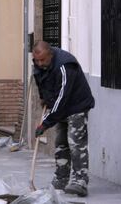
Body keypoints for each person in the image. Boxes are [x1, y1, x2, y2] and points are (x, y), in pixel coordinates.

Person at [32, 41, 94, 197]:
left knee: (75, 142)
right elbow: (42, 83)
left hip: (76, 106)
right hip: (60, 106)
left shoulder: (65, 65)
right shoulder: (39, 64)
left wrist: (45, 123)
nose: (40, 63)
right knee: (61, 142)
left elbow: (62, 97)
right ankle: (61, 178)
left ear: (50, 55)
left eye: (43, 60)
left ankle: (80, 181)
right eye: (37, 60)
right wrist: (44, 98)